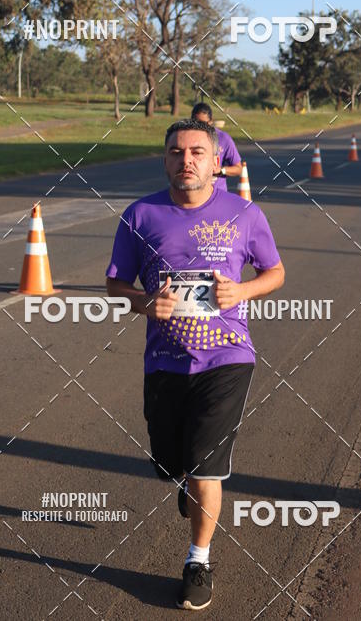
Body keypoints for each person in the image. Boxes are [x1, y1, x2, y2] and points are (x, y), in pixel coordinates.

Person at [106, 119, 284, 610]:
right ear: (165, 160)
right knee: (170, 461)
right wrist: (145, 303)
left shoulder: (243, 213)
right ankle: (184, 478)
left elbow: (275, 271)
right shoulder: (139, 216)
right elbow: (115, 285)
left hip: (227, 357)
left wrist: (242, 290)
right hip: (164, 362)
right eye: (176, 152)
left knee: (207, 464)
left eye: (196, 153)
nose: (186, 160)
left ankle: (198, 559)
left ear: (214, 160)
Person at [191, 102, 242, 190]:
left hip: (218, 193)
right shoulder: (186, 138)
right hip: (194, 194)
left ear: (210, 122)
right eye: (196, 123)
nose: (199, 127)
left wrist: (221, 170)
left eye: (203, 123)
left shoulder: (223, 138)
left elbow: (238, 169)